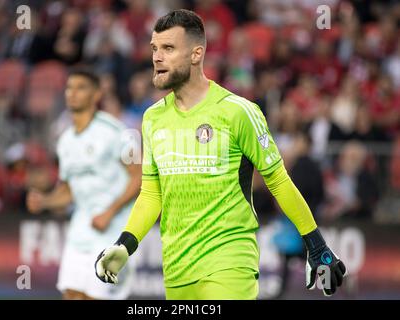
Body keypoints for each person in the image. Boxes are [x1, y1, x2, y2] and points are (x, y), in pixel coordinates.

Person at [95, 9, 346, 300]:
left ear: (196, 54)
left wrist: (315, 243)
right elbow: (152, 194)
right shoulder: (152, 119)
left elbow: (279, 182)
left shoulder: (238, 111)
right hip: (176, 270)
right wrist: (125, 244)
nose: (156, 57)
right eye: (154, 48)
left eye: (168, 48)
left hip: (230, 263)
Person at [26, 69, 141, 300]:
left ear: (97, 94)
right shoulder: (66, 141)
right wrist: (45, 201)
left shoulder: (115, 132)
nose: (73, 93)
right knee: (70, 295)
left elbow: (139, 177)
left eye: (81, 87)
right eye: (69, 87)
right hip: (80, 230)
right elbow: (69, 191)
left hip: (113, 230)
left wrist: (109, 212)